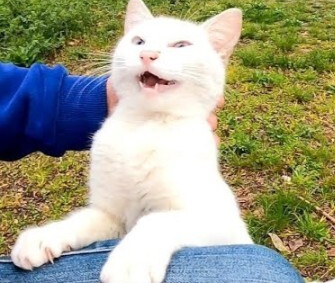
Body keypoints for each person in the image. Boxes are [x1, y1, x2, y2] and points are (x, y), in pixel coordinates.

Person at [0, 62, 304, 283]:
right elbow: (113, 217)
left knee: (261, 272)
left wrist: (156, 231)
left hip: (204, 238)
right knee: (262, 275)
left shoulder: (192, 137)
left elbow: (214, 224)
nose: (149, 53)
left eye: (181, 47)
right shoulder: (110, 138)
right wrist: (66, 233)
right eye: (138, 39)